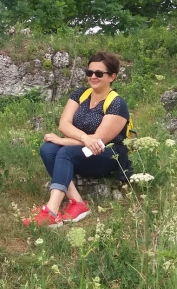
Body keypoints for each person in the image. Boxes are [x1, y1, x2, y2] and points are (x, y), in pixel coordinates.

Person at [26, 51, 131, 228]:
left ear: (112, 77)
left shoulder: (117, 104)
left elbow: (97, 142)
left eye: (99, 73)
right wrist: (81, 137)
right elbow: (64, 124)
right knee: (47, 149)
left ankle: (51, 211)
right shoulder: (81, 94)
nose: (93, 77)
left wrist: (63, 141)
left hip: (108, 155)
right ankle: (78, 203)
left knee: (65, 151)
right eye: (90, 72)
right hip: (81, 150)